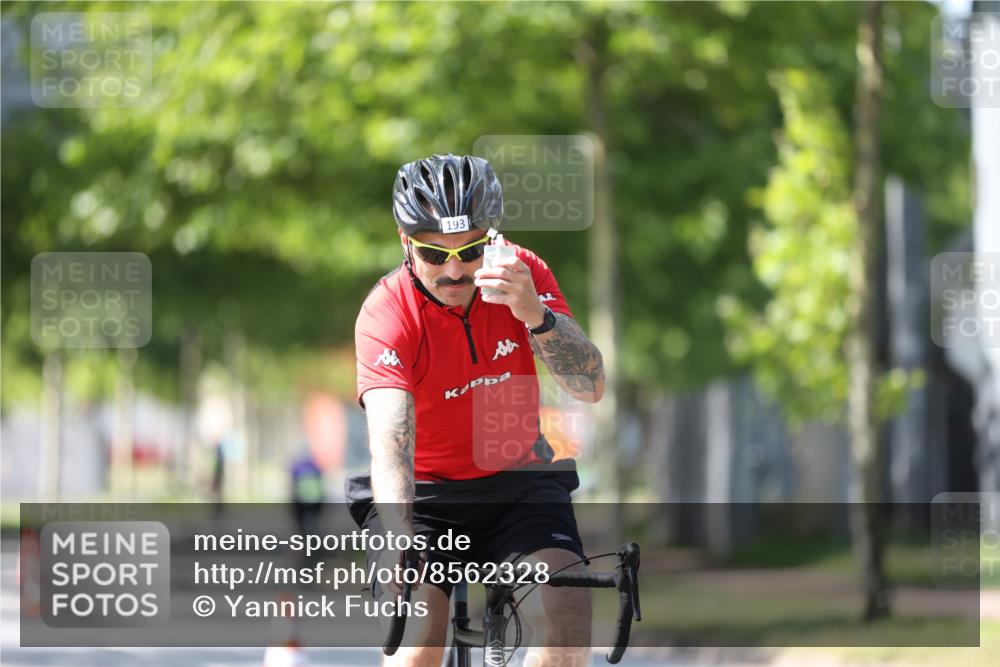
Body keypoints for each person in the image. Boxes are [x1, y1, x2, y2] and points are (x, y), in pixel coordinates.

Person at [348, 154, 605, 667]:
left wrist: (534, 313)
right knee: (418, 636)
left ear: (493, 238)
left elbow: (590, 385)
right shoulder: (387, 311)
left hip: (519, 480)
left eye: (469, 250)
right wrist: (401, 542)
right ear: (405, 243)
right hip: (423, 495)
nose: (453, 269)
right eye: (432, 252)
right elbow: (391, 443)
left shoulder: (523, 275)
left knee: (568, 620)